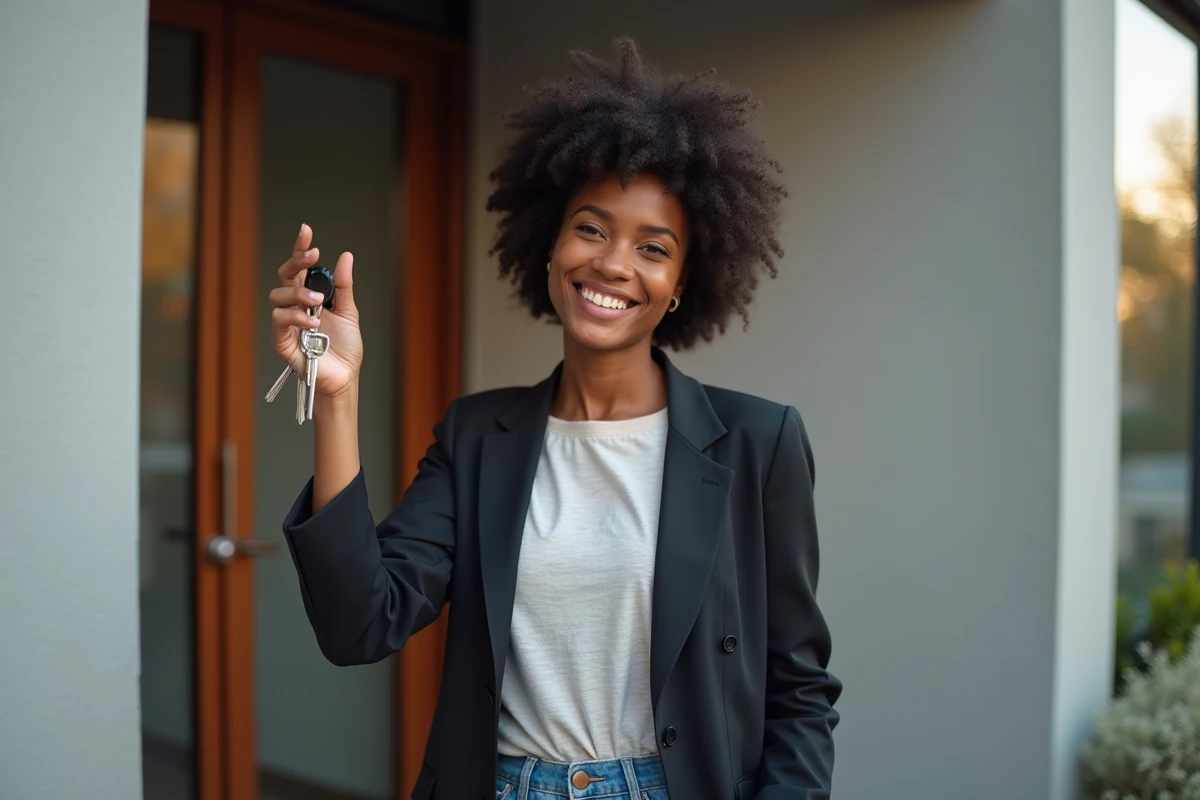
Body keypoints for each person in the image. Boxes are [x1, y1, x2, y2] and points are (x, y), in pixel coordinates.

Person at [270, 37, 841, 800]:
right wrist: (337, 396)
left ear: (679, 284)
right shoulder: (477, 438)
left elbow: (798, 691)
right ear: (550, 247)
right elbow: (359, 625)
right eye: (592, 228)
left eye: (654, 247)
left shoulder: (758, 446)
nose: (612, 264)